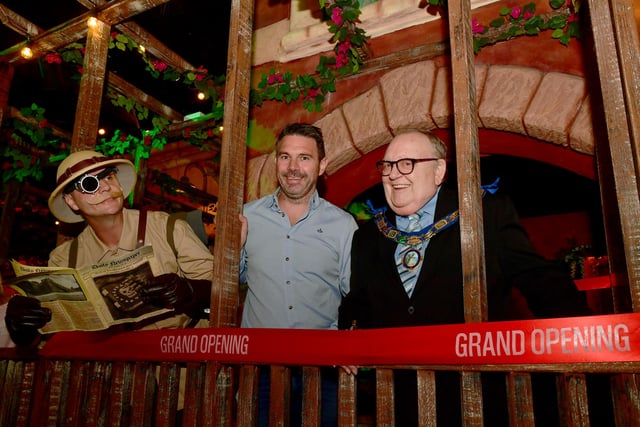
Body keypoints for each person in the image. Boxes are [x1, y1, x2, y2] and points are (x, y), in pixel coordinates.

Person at [338, 130, 593, 426]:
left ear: (439, 170)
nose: (394, 174)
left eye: (407, 163)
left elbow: (537, 277)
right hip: (400, 399)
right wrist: (349, 334)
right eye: (388, 165)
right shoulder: (368, 236)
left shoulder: (484, 214)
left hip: (476, 395)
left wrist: (585, 332)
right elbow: (357, 301)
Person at [5, 150, 214, 347]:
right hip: (114, 372)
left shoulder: (167, 228)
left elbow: (222, 291)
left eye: (109, 177)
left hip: (183, 364)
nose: (105, 187)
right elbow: (50, 335)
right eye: (89, 184)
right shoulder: (65, 260)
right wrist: (22, 325)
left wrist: (190, 290)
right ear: (71, 201)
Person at [239, 123, 358, 426]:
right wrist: (232, 248)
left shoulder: (343, 225)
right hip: (259, 368)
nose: (293, 168)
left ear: (322, 166)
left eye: (304, 158)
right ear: (275, 161)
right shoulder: (246, 216)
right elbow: (228, 283)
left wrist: (351, 343)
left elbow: (356, 294)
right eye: (285, 157)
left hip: (323, 369)